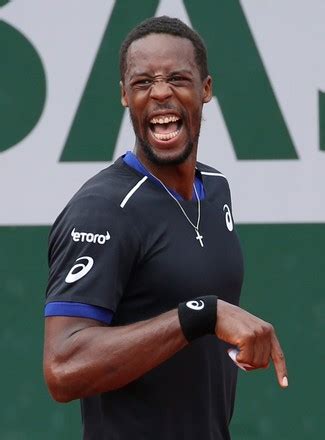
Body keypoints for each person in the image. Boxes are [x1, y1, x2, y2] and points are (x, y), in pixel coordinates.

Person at [43, 16, 288, 440]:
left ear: (205, 90)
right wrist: (200, 316)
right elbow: (63, 368)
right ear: (125, 96)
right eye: (142, 83)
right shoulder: (103, 209)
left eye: (177, 78)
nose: (160, 92)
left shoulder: (216, 190)